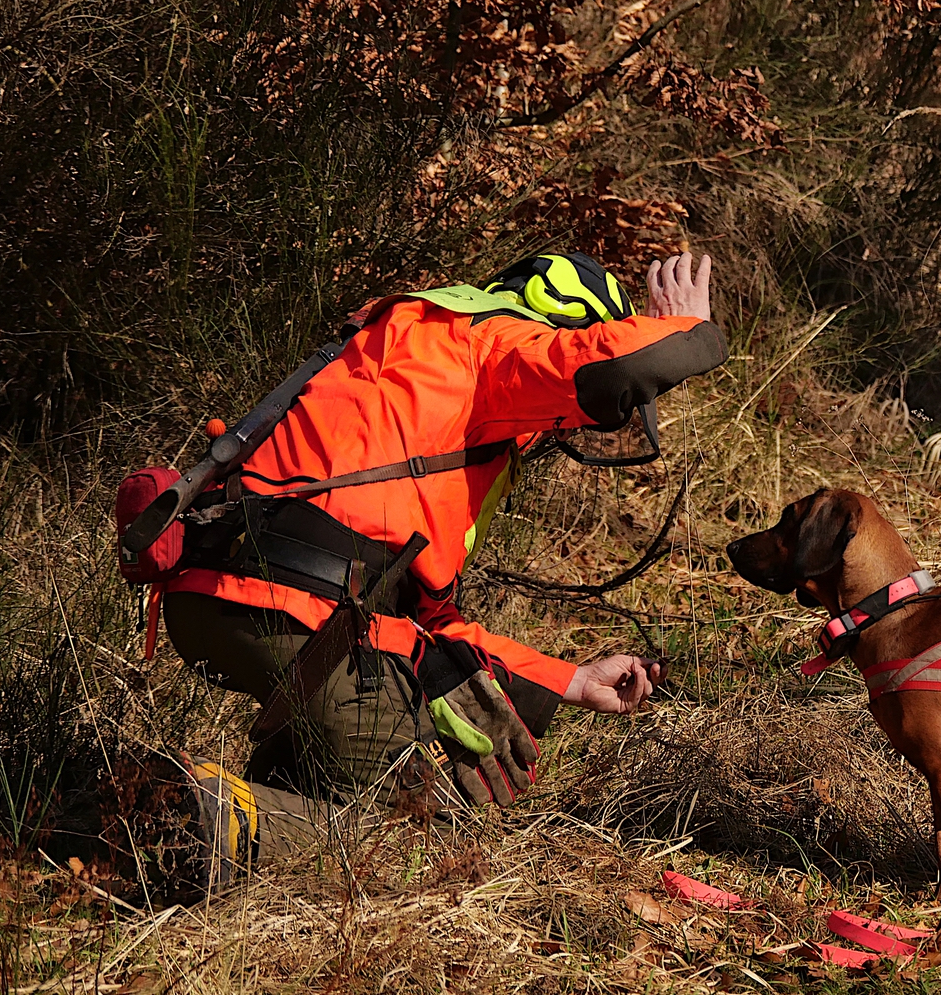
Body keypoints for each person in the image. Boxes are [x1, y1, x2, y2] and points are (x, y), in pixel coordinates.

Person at [143, 249, 724, 896]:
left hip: (217, 604)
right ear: (565, 326)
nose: (553, 433)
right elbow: (618, 367)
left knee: (323, 782)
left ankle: (206, 811)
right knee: (419, 839)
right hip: (302, 616)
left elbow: (426, 622)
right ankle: (204, 815)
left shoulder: (403, 348)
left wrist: (573, 681)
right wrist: (689, 332)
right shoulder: (498, 343)